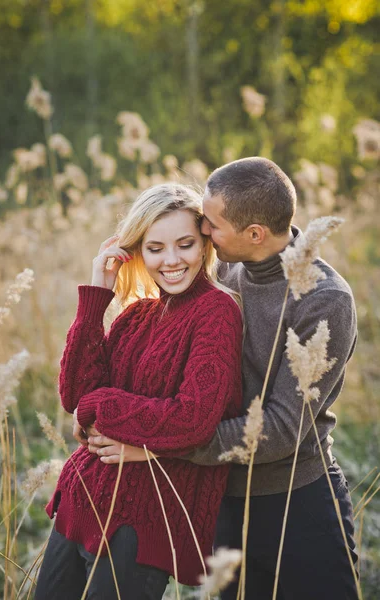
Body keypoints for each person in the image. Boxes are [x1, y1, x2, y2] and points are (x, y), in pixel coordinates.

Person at [88, 158, 359, 600]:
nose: (203, 232)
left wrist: (155, 446)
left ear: (254, 234)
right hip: (220, 498)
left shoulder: (324, 302)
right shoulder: (223, 272)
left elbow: (282, 429)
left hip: (296, 501)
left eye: (210, 224)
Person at [34, 183, 243, 600]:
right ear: (137, 253)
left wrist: (100, 407)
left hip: (141, 522)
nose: (171, 260)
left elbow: (192, 418)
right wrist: (98, 293)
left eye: (185, 244)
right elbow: (74, 394)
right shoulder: (135, 315)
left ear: (204, 246)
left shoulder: (217, 312)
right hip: (79, 500)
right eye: (155, 248)